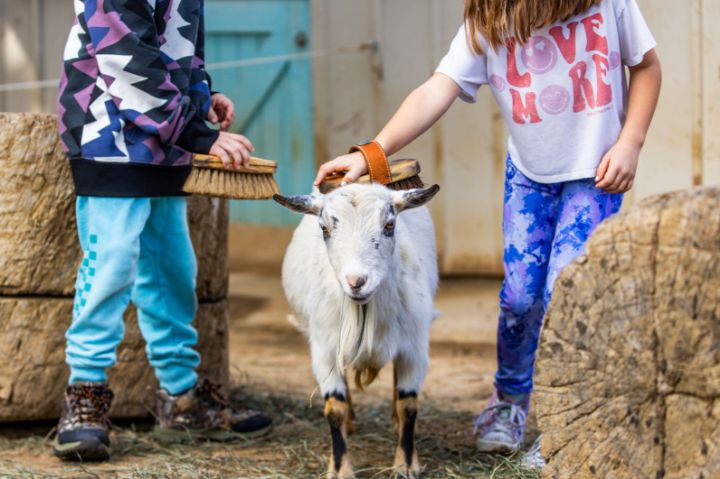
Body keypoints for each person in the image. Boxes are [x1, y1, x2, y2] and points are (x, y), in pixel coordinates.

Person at [314, 0, 661, 454]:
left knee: (566, 294)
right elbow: (437, 89)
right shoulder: (489, 20)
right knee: (519, 298)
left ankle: (565, 424)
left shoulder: (608, 5)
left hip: (595, 176)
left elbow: (647, 67)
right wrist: (370, 154)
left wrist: (630, 142)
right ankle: (510, 401)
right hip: (530, 178)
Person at [54, 0, 271, 461]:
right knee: (109, 263)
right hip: (107, 136)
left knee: (171, 266)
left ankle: (182, 396)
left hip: (159, 142)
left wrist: (201, 95)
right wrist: (197, 134)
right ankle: (84, 395)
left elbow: (177, 48)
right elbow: (125, 54)